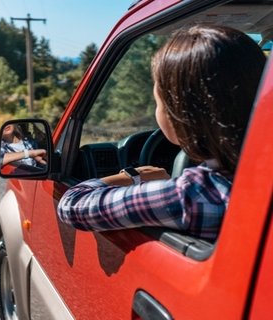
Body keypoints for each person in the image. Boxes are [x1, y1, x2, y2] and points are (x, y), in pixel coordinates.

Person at [57, 25, 266, 240]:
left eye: (158, 102)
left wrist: (133, 176)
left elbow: (71, 205)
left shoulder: (191, 195)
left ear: (181, 115)